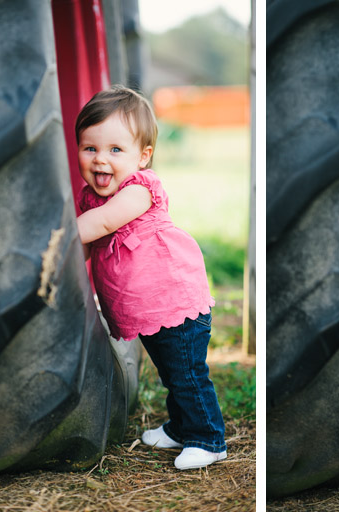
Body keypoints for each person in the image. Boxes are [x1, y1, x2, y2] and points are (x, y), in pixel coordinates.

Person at [75, 85, 226, 470]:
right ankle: (180, 426)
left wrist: (58, 235)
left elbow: (102, 224)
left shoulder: (139, 190)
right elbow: (88, 247)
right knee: (170, 370)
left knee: (187, 373)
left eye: (115, 150)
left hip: (176, 302)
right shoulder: (89, 199)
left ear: (143, 157)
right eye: (90, 148)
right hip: (148, 308)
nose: (100, 160)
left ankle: (208, 439)